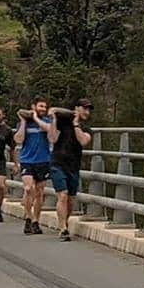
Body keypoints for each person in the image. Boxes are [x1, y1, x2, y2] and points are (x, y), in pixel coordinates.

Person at [48, 98, 93, 242]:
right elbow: (52, 138)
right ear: (77, 108)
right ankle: (63, 228)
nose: (87, 112)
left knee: (71, 200)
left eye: (89, 109)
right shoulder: (62, 122)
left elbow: (83, 141)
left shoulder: (86, 128)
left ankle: (64, 222)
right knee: (63, 195)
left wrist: (76, 124)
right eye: (84, 108)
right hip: (58, 163)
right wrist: (54, 119)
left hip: (73, 166)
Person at [14, 96, 52, 235]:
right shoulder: (24, 123)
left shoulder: (47, 121)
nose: (43, 109)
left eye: (45, 107)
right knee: (29, 188)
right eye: (40, 106)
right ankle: (28, 217)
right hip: (27, 160)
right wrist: (24, 122)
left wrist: (36, 118)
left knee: (40, 192)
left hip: (43, 160)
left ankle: (36, 220)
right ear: (33, 106)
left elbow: (49, 131)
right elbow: (18, 139)